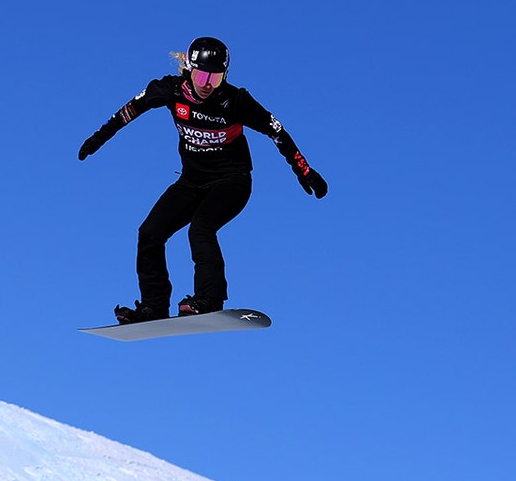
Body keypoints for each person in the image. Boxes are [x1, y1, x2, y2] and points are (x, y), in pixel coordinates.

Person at [78, 37, 328, 324]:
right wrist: (97, 139)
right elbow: (128, 112)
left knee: (201, 229)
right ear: (189, 69)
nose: (207, 83)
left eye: (215, 76)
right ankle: (153, 306)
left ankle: (209, 299)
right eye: (201, 75)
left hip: (232, 182)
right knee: (149, 232)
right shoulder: (169, 90)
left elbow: (278, 133)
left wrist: (304, 170)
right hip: (191, 182)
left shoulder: (236, 102)